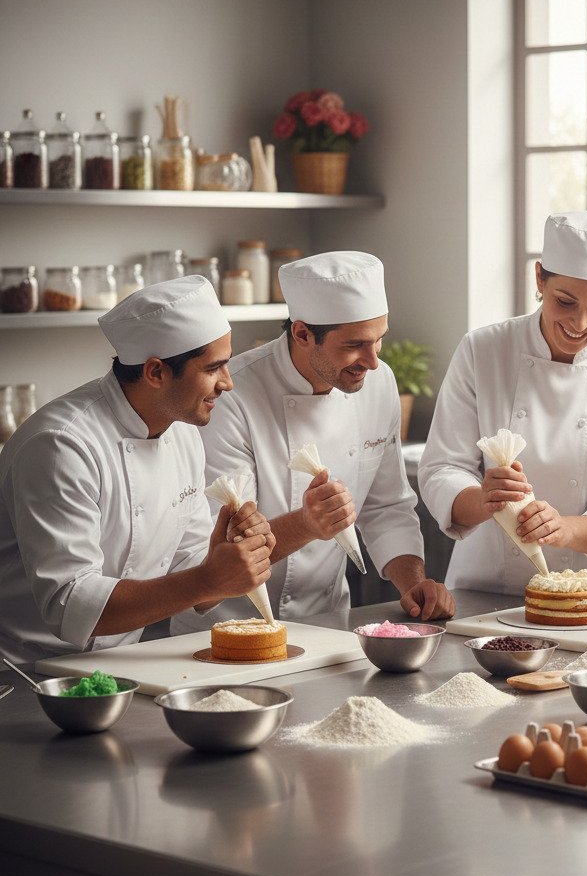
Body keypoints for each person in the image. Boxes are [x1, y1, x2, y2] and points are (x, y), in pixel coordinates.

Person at [171, 251, 453, 635]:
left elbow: (385, 505)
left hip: (326, 623)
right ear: (302, 333)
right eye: (354, 345)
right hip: (225, 628)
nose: (371, 362)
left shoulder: (378, 382)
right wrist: (308, 524)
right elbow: (227, 545)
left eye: (379, 341)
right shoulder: (228, 395)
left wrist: (412, 583)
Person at [0, 276, 275, 664]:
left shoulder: (181, 434)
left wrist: (223, 557)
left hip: (121, 663)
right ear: (156, 372)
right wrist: (206, 579)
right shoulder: (61, 445)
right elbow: (68, 603)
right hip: (24, 671)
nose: (227, 384)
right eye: (214, 368)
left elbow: (189, 569)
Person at [418, 211, 587, 603]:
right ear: (539, 278)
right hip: (485, 591)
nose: (580, 323)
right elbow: (442, 467)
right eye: (565, 301)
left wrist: (565, 530)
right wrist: (482, 499)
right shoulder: (483, 350)